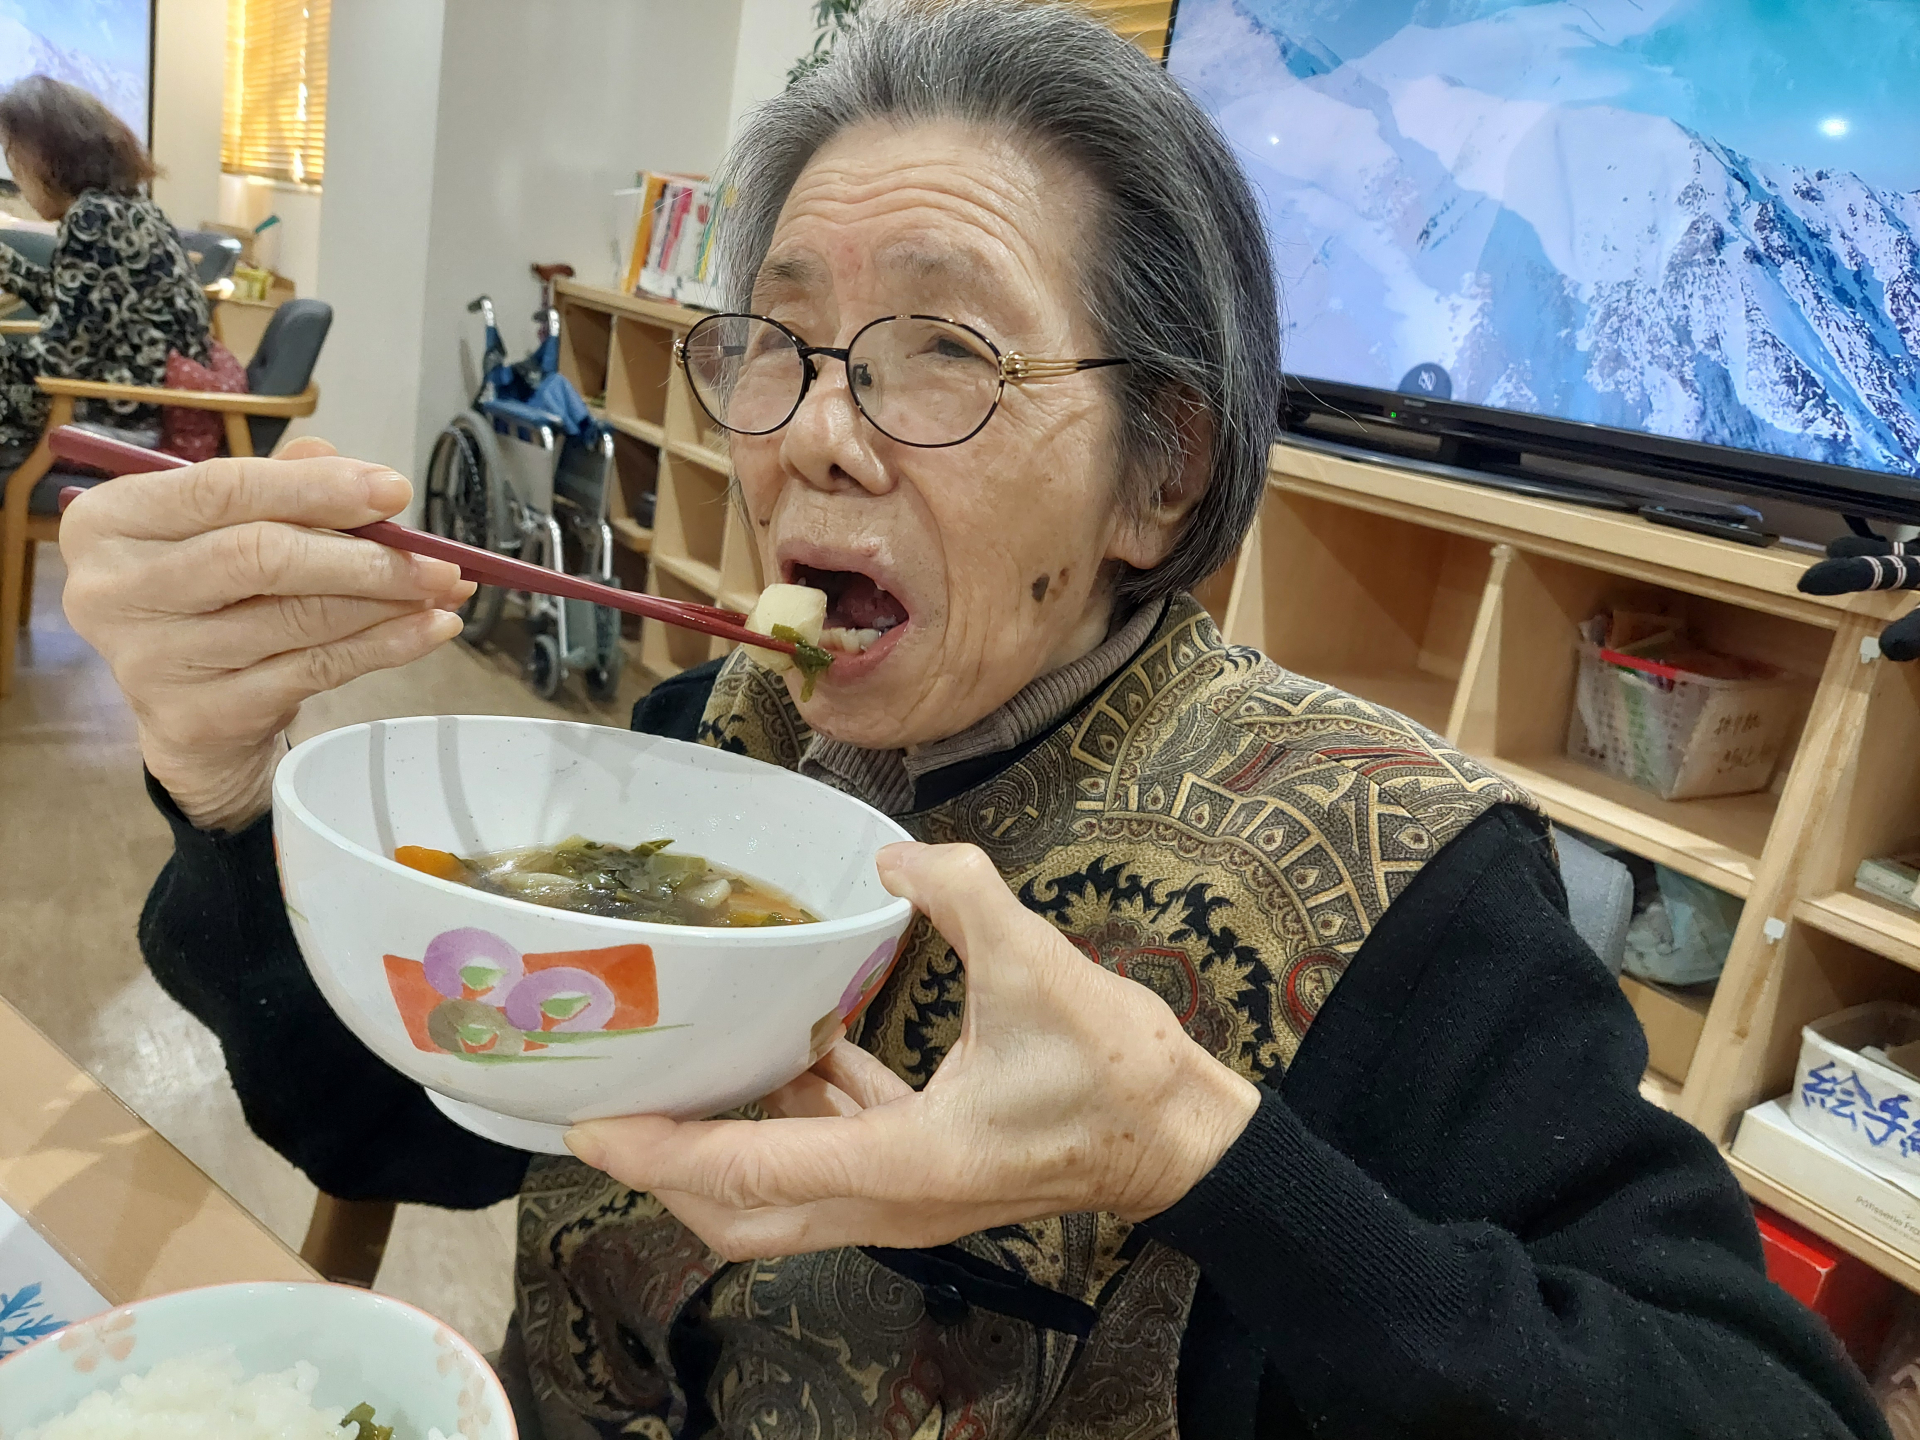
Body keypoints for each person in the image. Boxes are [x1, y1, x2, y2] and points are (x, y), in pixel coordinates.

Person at [60, 3, 1889, 1437]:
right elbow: (410, 1132)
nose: (813, 435)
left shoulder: (1404, 887)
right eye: (778, 343)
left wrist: (1197, 1156)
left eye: (945, 354)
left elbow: (1762, 1406)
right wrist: (220, 792)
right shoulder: (704, 748)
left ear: (1161, 476)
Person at [0, 74, 211, 455]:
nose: (15, 179)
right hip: (139, 397)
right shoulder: (128, 206)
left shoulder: (93, 218)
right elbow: (77, 309)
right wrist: (7, 264)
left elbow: (55, 360)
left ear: (50, 159)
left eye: (16, 163)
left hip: (119, 414)